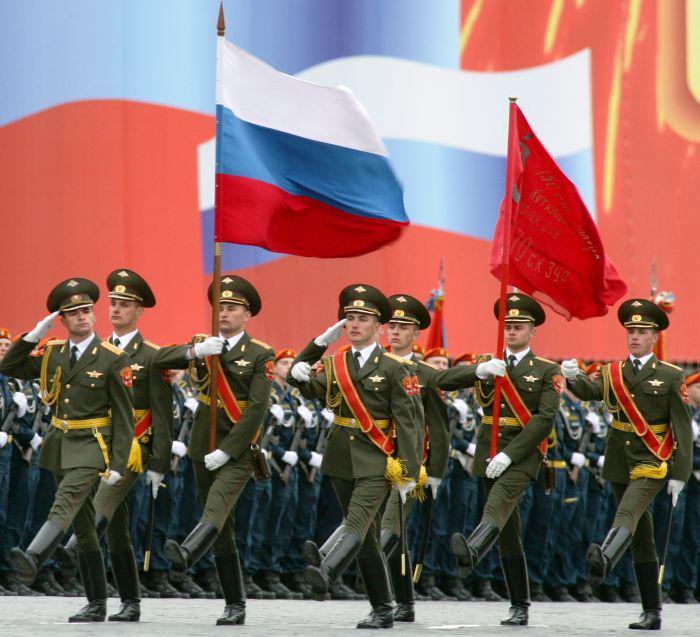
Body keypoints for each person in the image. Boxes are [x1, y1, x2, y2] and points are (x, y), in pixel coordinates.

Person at [0, 278, 134, 621]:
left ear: (94, 314)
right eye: (74, 313)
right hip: (60, 444)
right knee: (85, 528)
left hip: (92, 444)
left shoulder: (112, 358)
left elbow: (124, 416)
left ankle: (34, 555)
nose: (82, 317)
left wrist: (119, 463)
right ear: (62, 319)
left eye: (87, 310)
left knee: (66, 499)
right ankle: (97, 603)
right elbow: (7, 367)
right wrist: (33, 335)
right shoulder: (53, 352)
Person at [289, 283, 420, 629]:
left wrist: (409, 472)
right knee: (367, 538)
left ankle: (326, 572)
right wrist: (317, 345)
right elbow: (304, 382)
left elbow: (409, 423)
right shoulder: (334, 363)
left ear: (378, 326)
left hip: (377, 459)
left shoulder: (394, 367)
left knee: (357, 523)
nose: (355, 324)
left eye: (363, 318)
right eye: (350, 318)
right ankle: (383, 608)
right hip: (340, 459)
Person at [561, 298, 692, 630]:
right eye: (631, 332)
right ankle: (652, 612)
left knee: (628, 511)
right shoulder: (613, 372)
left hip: (652, 459)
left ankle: (605, 557)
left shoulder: (670, 376)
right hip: (620, 459)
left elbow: (682, 428)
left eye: (642, 332)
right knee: (642, 537)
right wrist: (573, 378)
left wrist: (679, 473)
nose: (634, 337)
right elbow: (591, 391)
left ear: (654, 337)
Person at [154, 275, 274, 626]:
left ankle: (187, 552)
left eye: (232, 308)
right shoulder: (202, 343)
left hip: (237, 448)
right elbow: (160, 359)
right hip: (201, 445)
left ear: (246, 315)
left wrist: (228, 450)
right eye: (220, 306)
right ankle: (235, 604)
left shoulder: (260, 353)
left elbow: (256, 408)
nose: (224, 313)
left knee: (217, 505)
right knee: (222, 527)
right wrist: (195, 352)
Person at [435, 293, 560, 626]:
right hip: (487, 451)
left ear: (532, 330)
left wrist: (509, 454)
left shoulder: (546, 370)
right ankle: (520, 604)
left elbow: (544, 419)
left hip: (522, 454)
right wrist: (479, 370)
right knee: (507, 532)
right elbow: (441, 381)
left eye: (519, 326)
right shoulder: (488, 362)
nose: (512, 331)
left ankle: (474, 550)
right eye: (508, 326)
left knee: (498, 503)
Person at [56, 268, 173, 621]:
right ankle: (130, 602)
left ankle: (76, 565)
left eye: (125, 304)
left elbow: (162, 413)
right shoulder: (96, 350)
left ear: (139, 311)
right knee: (118, 530)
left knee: (97, 511)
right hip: (95, 446)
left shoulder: (151, 355)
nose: (116, 309)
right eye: (113, 303)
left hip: (132, 449)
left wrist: (159, 463)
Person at [380, 293, 449, 621]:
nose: (395, 332)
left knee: (390, 525)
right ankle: (405, 602)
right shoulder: (373, 366)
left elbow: (438, 426)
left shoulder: (426, 374)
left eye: (403, 327)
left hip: (408, 466)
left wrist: (435, 471)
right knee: (395, 534)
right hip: (372, 461)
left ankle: (342, 569)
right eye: (392, 325)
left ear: (416, 333)